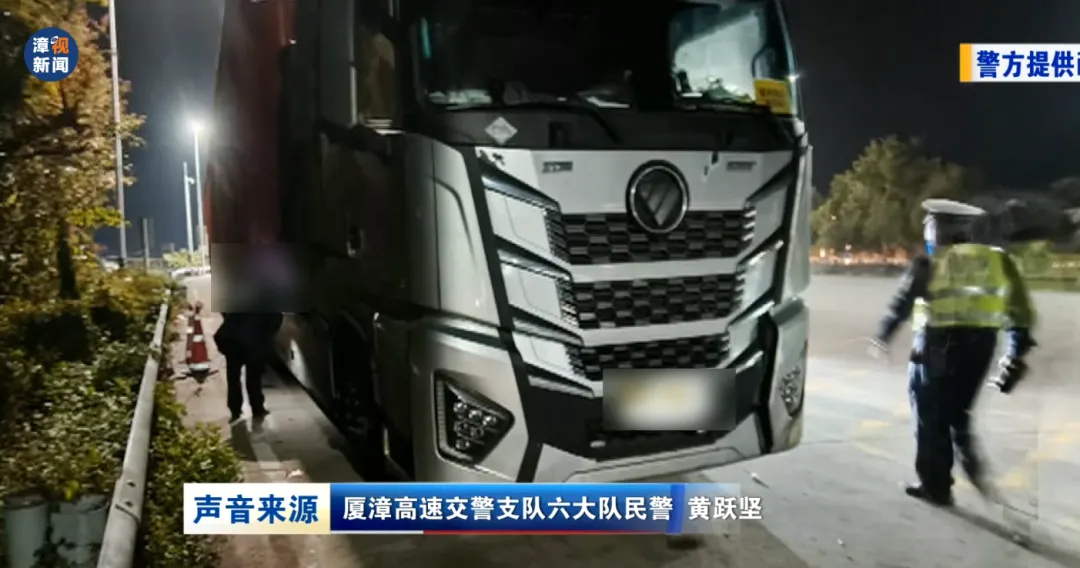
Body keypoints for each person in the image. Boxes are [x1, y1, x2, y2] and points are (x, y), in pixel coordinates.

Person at [868, 198, 1037, 506]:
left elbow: (902, 304)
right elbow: (1021, 313)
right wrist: (1015, 355)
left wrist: (883, 336)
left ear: (940, 230)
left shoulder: (930, 263)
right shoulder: (999, 261)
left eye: (930, 225)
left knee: (930, 416)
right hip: (982, 348)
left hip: (936, 347)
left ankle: (936, 486)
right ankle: (974, 468)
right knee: (959, 414)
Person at [215, 310, 283, 422]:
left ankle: (235, 409)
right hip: (255, 341)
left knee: (233, 377)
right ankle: (257, 408)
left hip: (232, 339)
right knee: (254, 377)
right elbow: (275, 320)